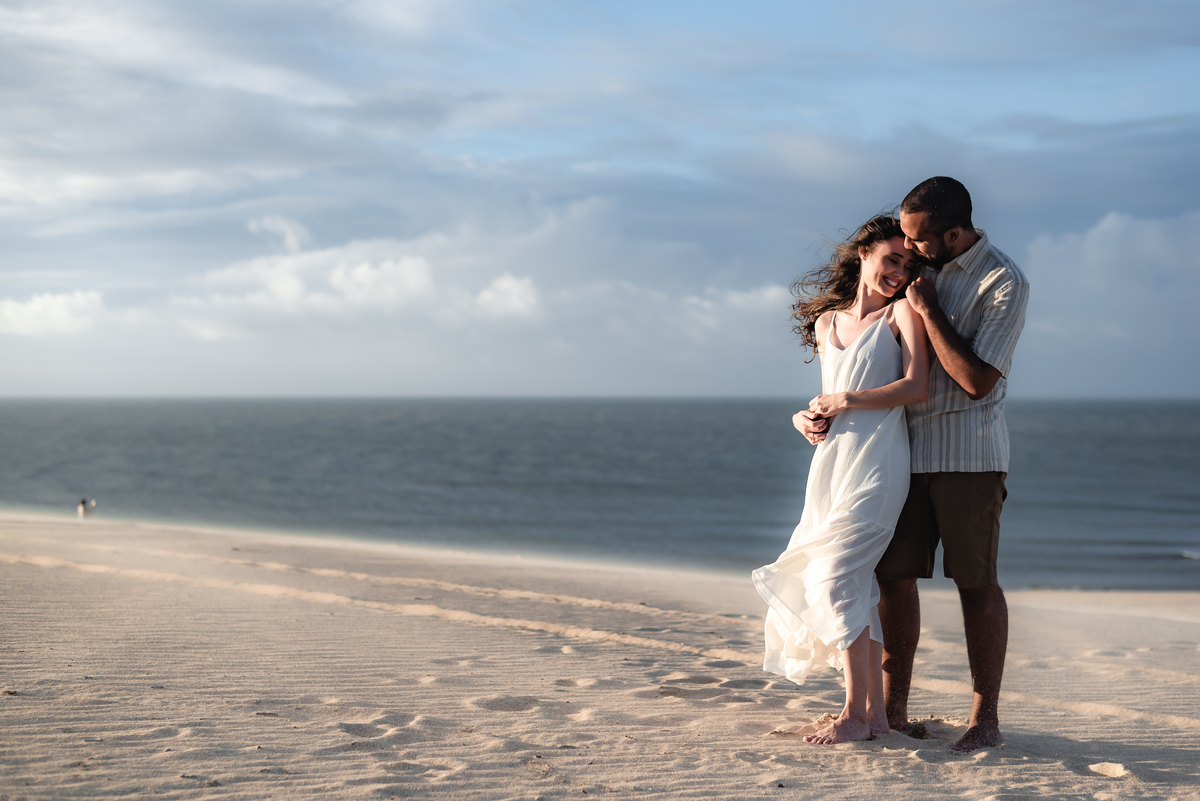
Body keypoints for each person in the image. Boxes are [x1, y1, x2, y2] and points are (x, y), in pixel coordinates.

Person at [797, 177, 1029, 752]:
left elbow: (976, 382)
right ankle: (889, 712)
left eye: (918, 240)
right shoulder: (913, 269)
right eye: (900, 239)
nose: (909, 250)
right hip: (898, 453)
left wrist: (926, 310)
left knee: (975, 584)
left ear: (953, 233)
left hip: (966, 455)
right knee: (891, 582)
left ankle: (985, 720)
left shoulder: (1003, 280)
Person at [752, 214, 929, 745]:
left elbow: (915, 386)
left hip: (879, 465)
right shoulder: (828, 323)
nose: (899, 271)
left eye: (908, 263)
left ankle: (854, 713)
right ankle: (872, 716)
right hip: (830, 467)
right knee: (852, 584)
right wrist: (802, 418)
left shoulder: (903, 313)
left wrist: (845, 401)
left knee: (832, 577)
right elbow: (826, 395)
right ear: (863, 253)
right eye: (891, 259)